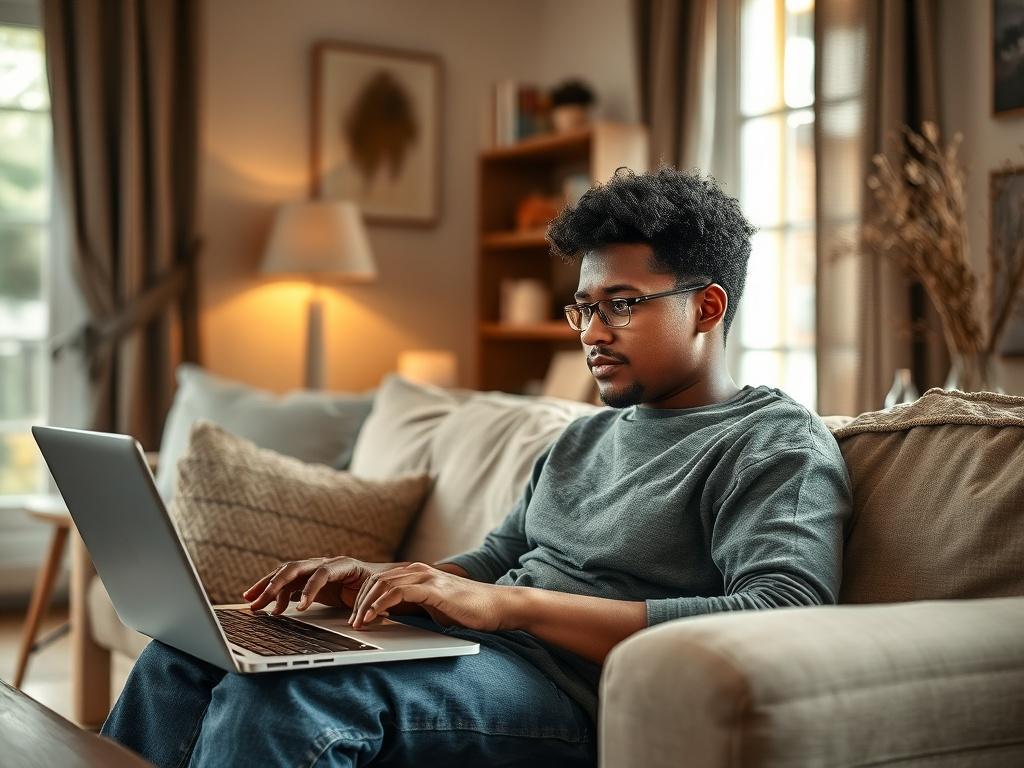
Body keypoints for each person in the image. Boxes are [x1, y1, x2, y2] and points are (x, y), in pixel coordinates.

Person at [101, 167, 852, 768]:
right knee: (184, 659)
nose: (591, 333)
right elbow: (496, 560)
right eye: (583, 308)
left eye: (620, 305)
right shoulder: (585, 439)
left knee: (289, 702)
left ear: (708, 307)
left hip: (570, 698)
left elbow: (782, 612)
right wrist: (377, 581)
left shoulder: (773, 441)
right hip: (476, 658)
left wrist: (510, 606)